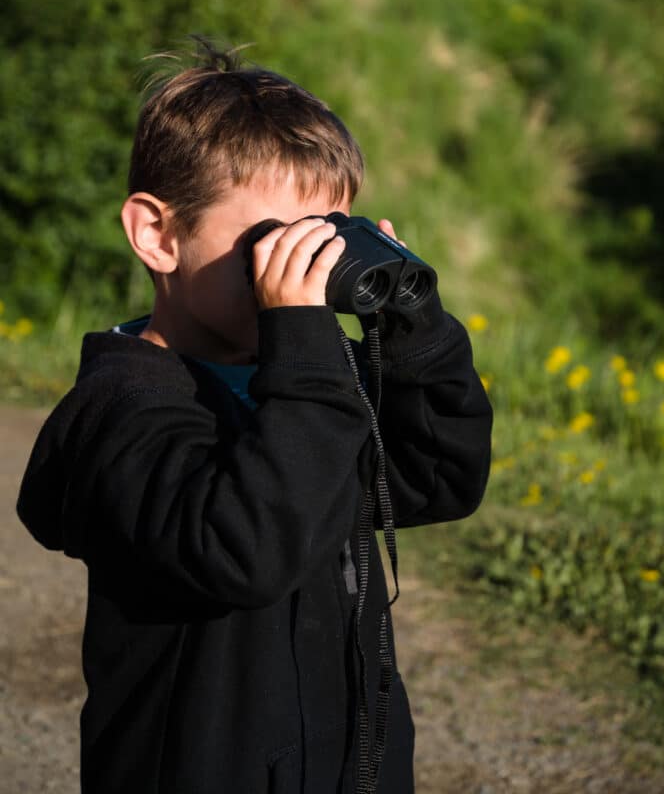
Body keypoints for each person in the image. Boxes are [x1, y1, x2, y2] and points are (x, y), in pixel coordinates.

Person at [16, 40, 493, 794]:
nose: (299, 272)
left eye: (325, 238)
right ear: (157, 235)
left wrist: (413, 334)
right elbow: (246, 548)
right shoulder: (122, 413)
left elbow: (437, 480)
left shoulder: (307, 380)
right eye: (270, 242)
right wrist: (302, 350)